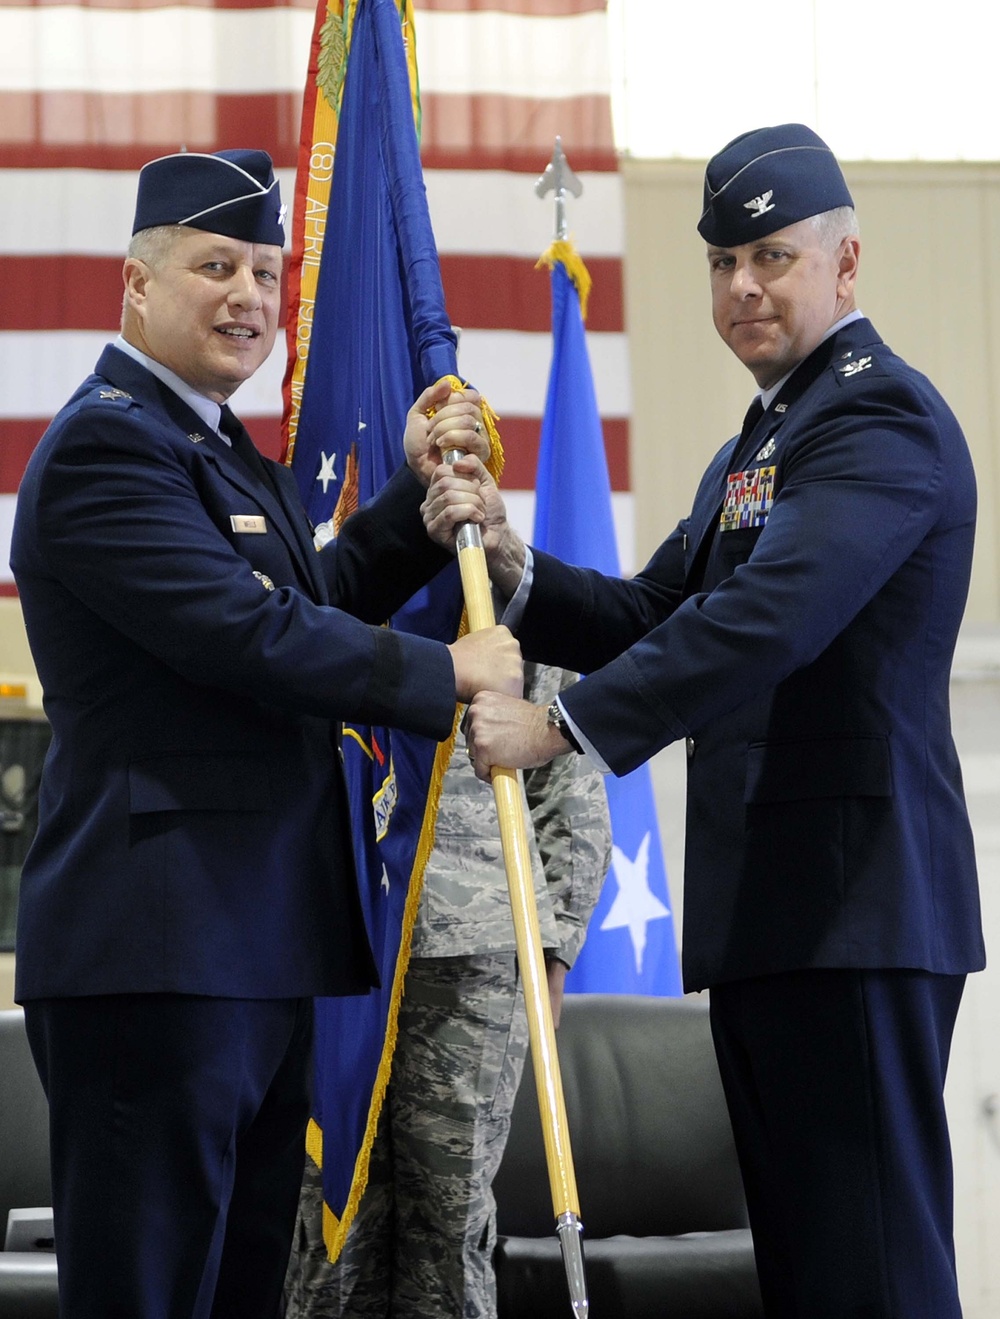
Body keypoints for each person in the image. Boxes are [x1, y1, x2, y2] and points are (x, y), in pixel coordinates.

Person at [422, 123, 984, 1318]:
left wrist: (559, 730)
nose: (741, 285)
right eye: (722, 260)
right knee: (803, 1267)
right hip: (778, 915)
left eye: (771, 255)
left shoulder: (876, 420)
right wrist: (517, 570)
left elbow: (768, 619)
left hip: (858, 908)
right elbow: (654, 608)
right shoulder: (763, 442)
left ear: (844, 264)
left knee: (869, 1267)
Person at [9, 148, 520, 1319]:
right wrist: (446, 670)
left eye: (263, 269)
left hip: (249, 945)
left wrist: (406, 510)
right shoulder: (103, 448)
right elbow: (249, 636)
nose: (247, 295)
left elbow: (305, 599)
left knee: (243, 1291)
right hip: (157, 953)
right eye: (214, 266)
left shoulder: (219, 448)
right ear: (136, 287)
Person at [283, 659, 610, 1319]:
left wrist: (555, 953)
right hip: (336, 939)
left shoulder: (498, 595)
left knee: (451, 1214)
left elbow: (568, 784)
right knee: (329, 1214)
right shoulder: (325, 577)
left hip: (475, 941)